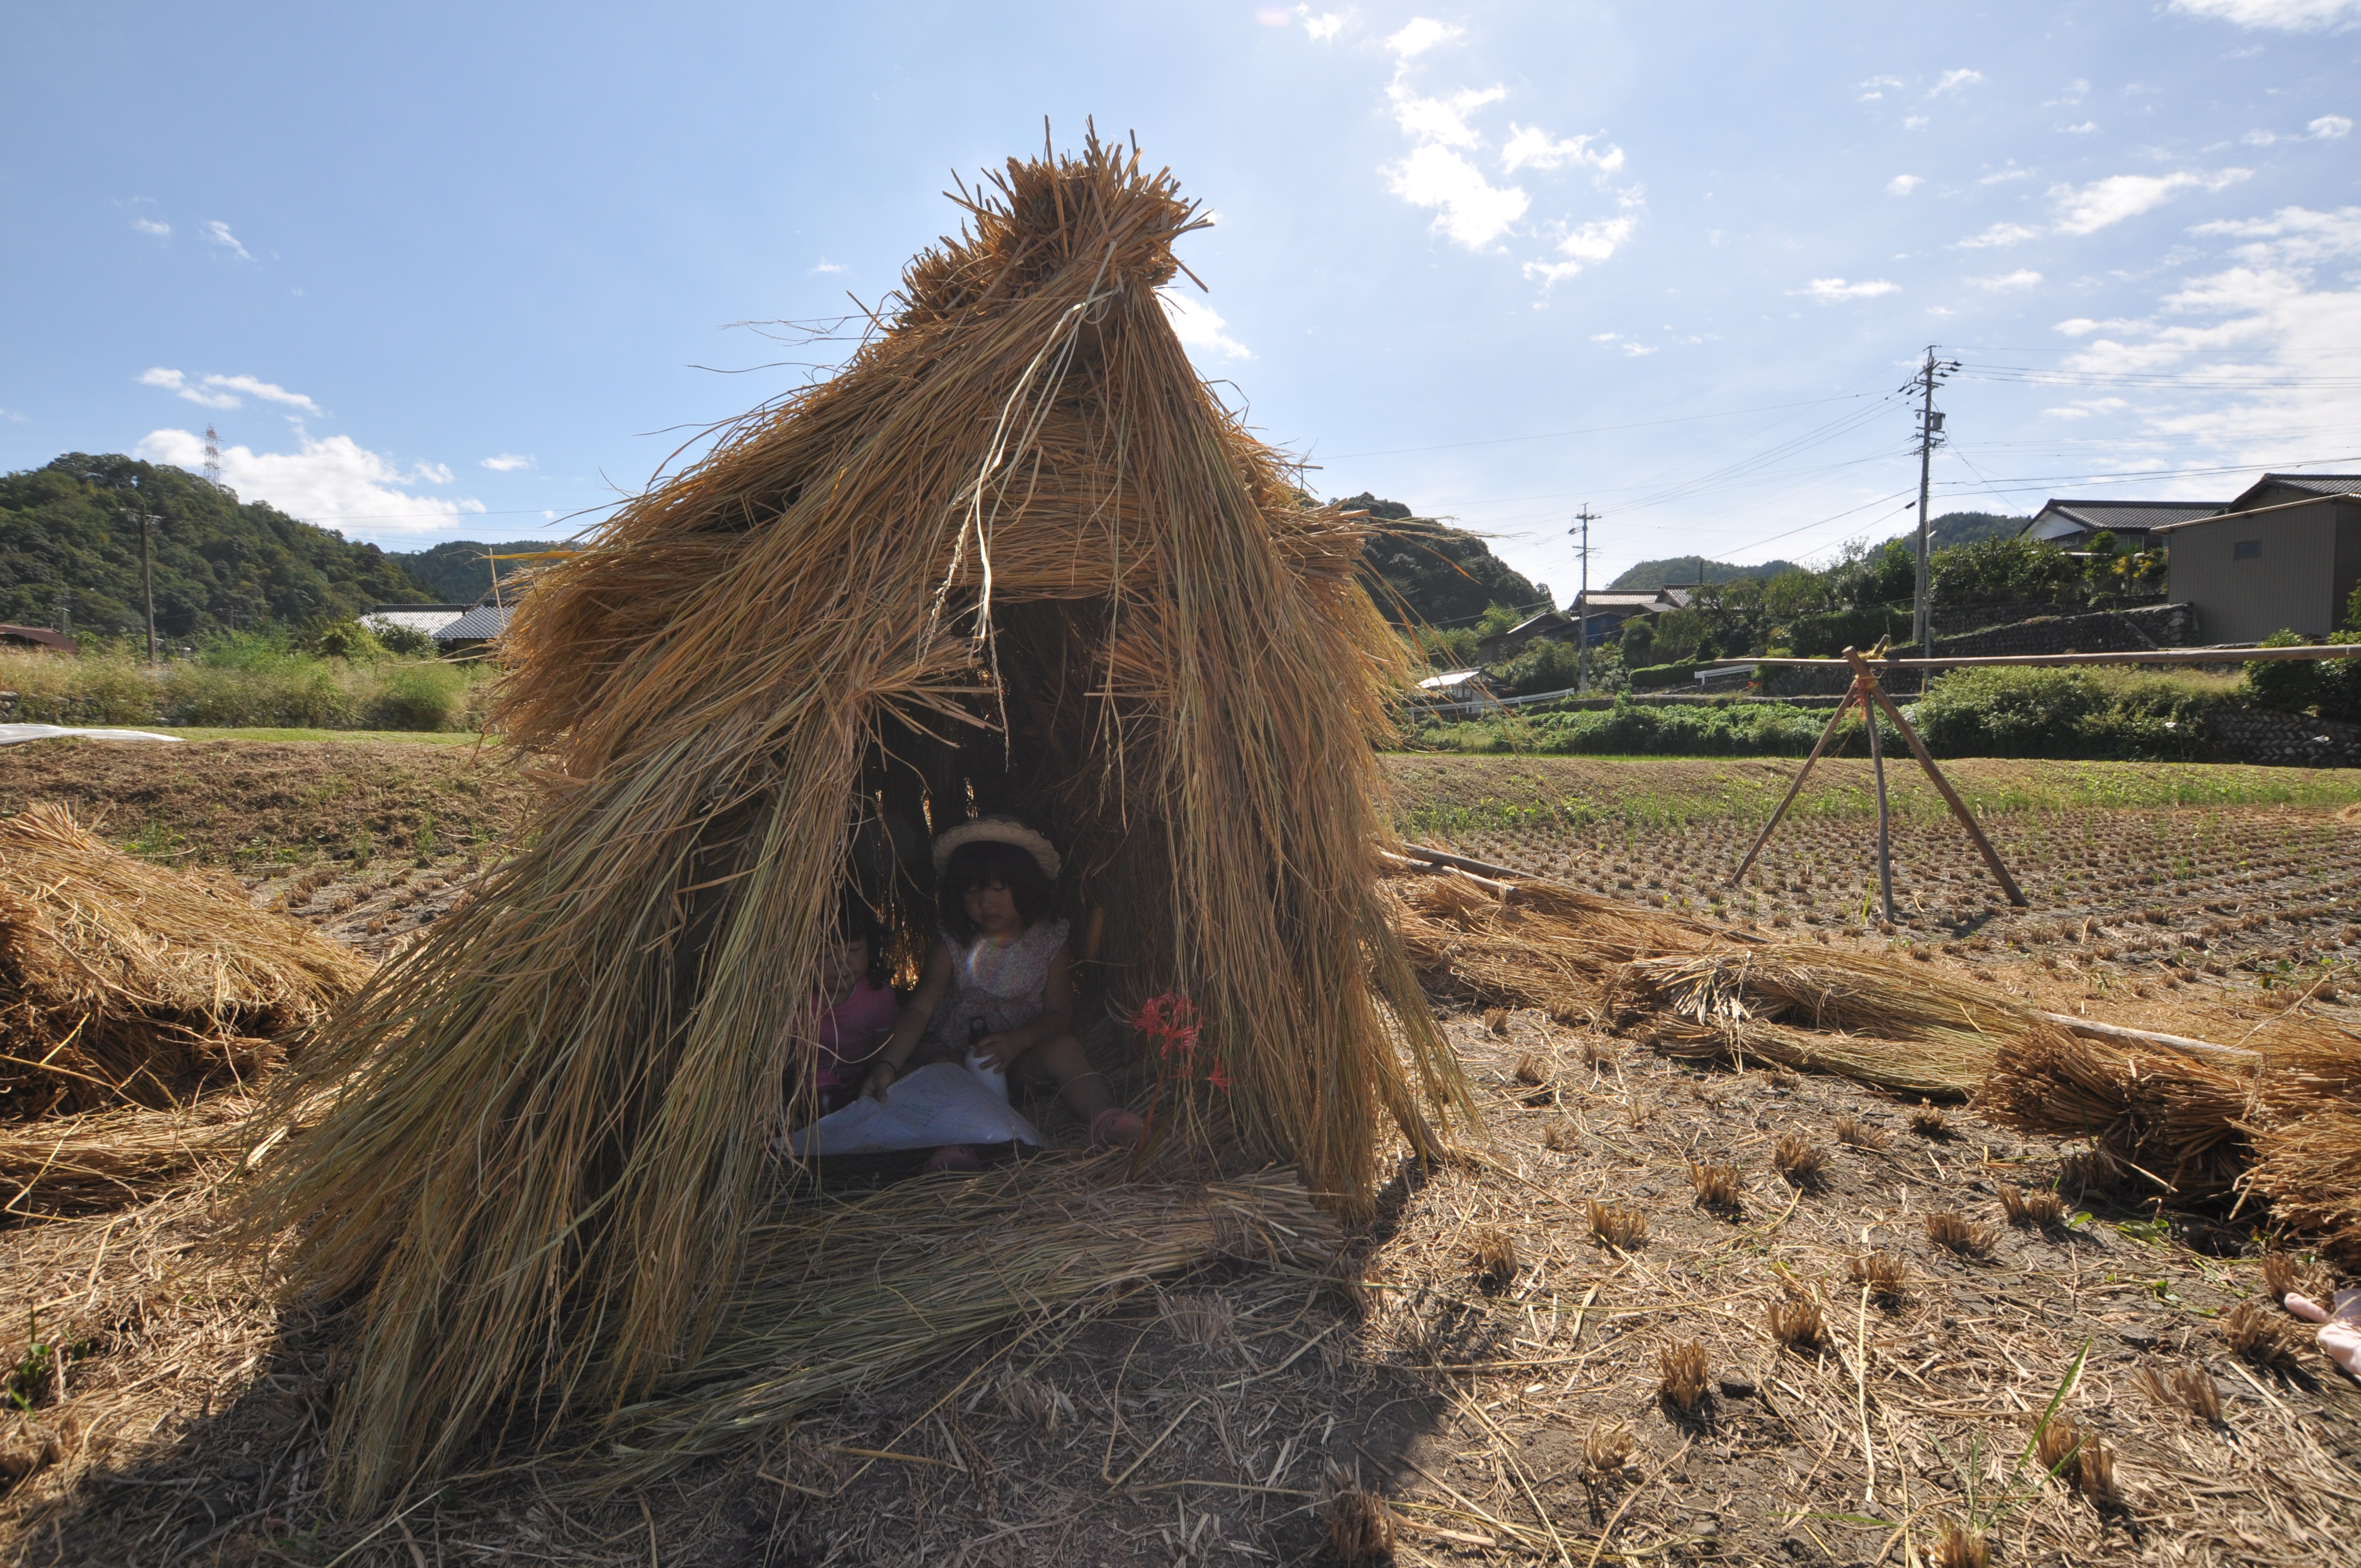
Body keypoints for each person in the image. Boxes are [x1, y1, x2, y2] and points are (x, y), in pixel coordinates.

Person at [862, 816, 1144, 1170]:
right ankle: (959, 1147)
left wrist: (1019, 1040)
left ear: (1025, 887)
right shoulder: (953, 943)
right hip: (955, 1056)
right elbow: (919, 1010)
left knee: (1065, 1050)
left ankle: (1104, 1119)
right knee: (944, 1071)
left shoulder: (1048, 943)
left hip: (1016, 1061)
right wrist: (887, 1064)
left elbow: (1059, 1016)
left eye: (999, 888)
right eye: (972, 891)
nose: (986, 903)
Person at [803, 895, 899, 1117]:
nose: (843, 963)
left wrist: (872, 1071)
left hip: (864, 1076)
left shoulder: (878, 995)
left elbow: (883, 1049)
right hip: (811, 1082)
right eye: (826, 954)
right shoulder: (797, 1005)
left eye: (855, 949)